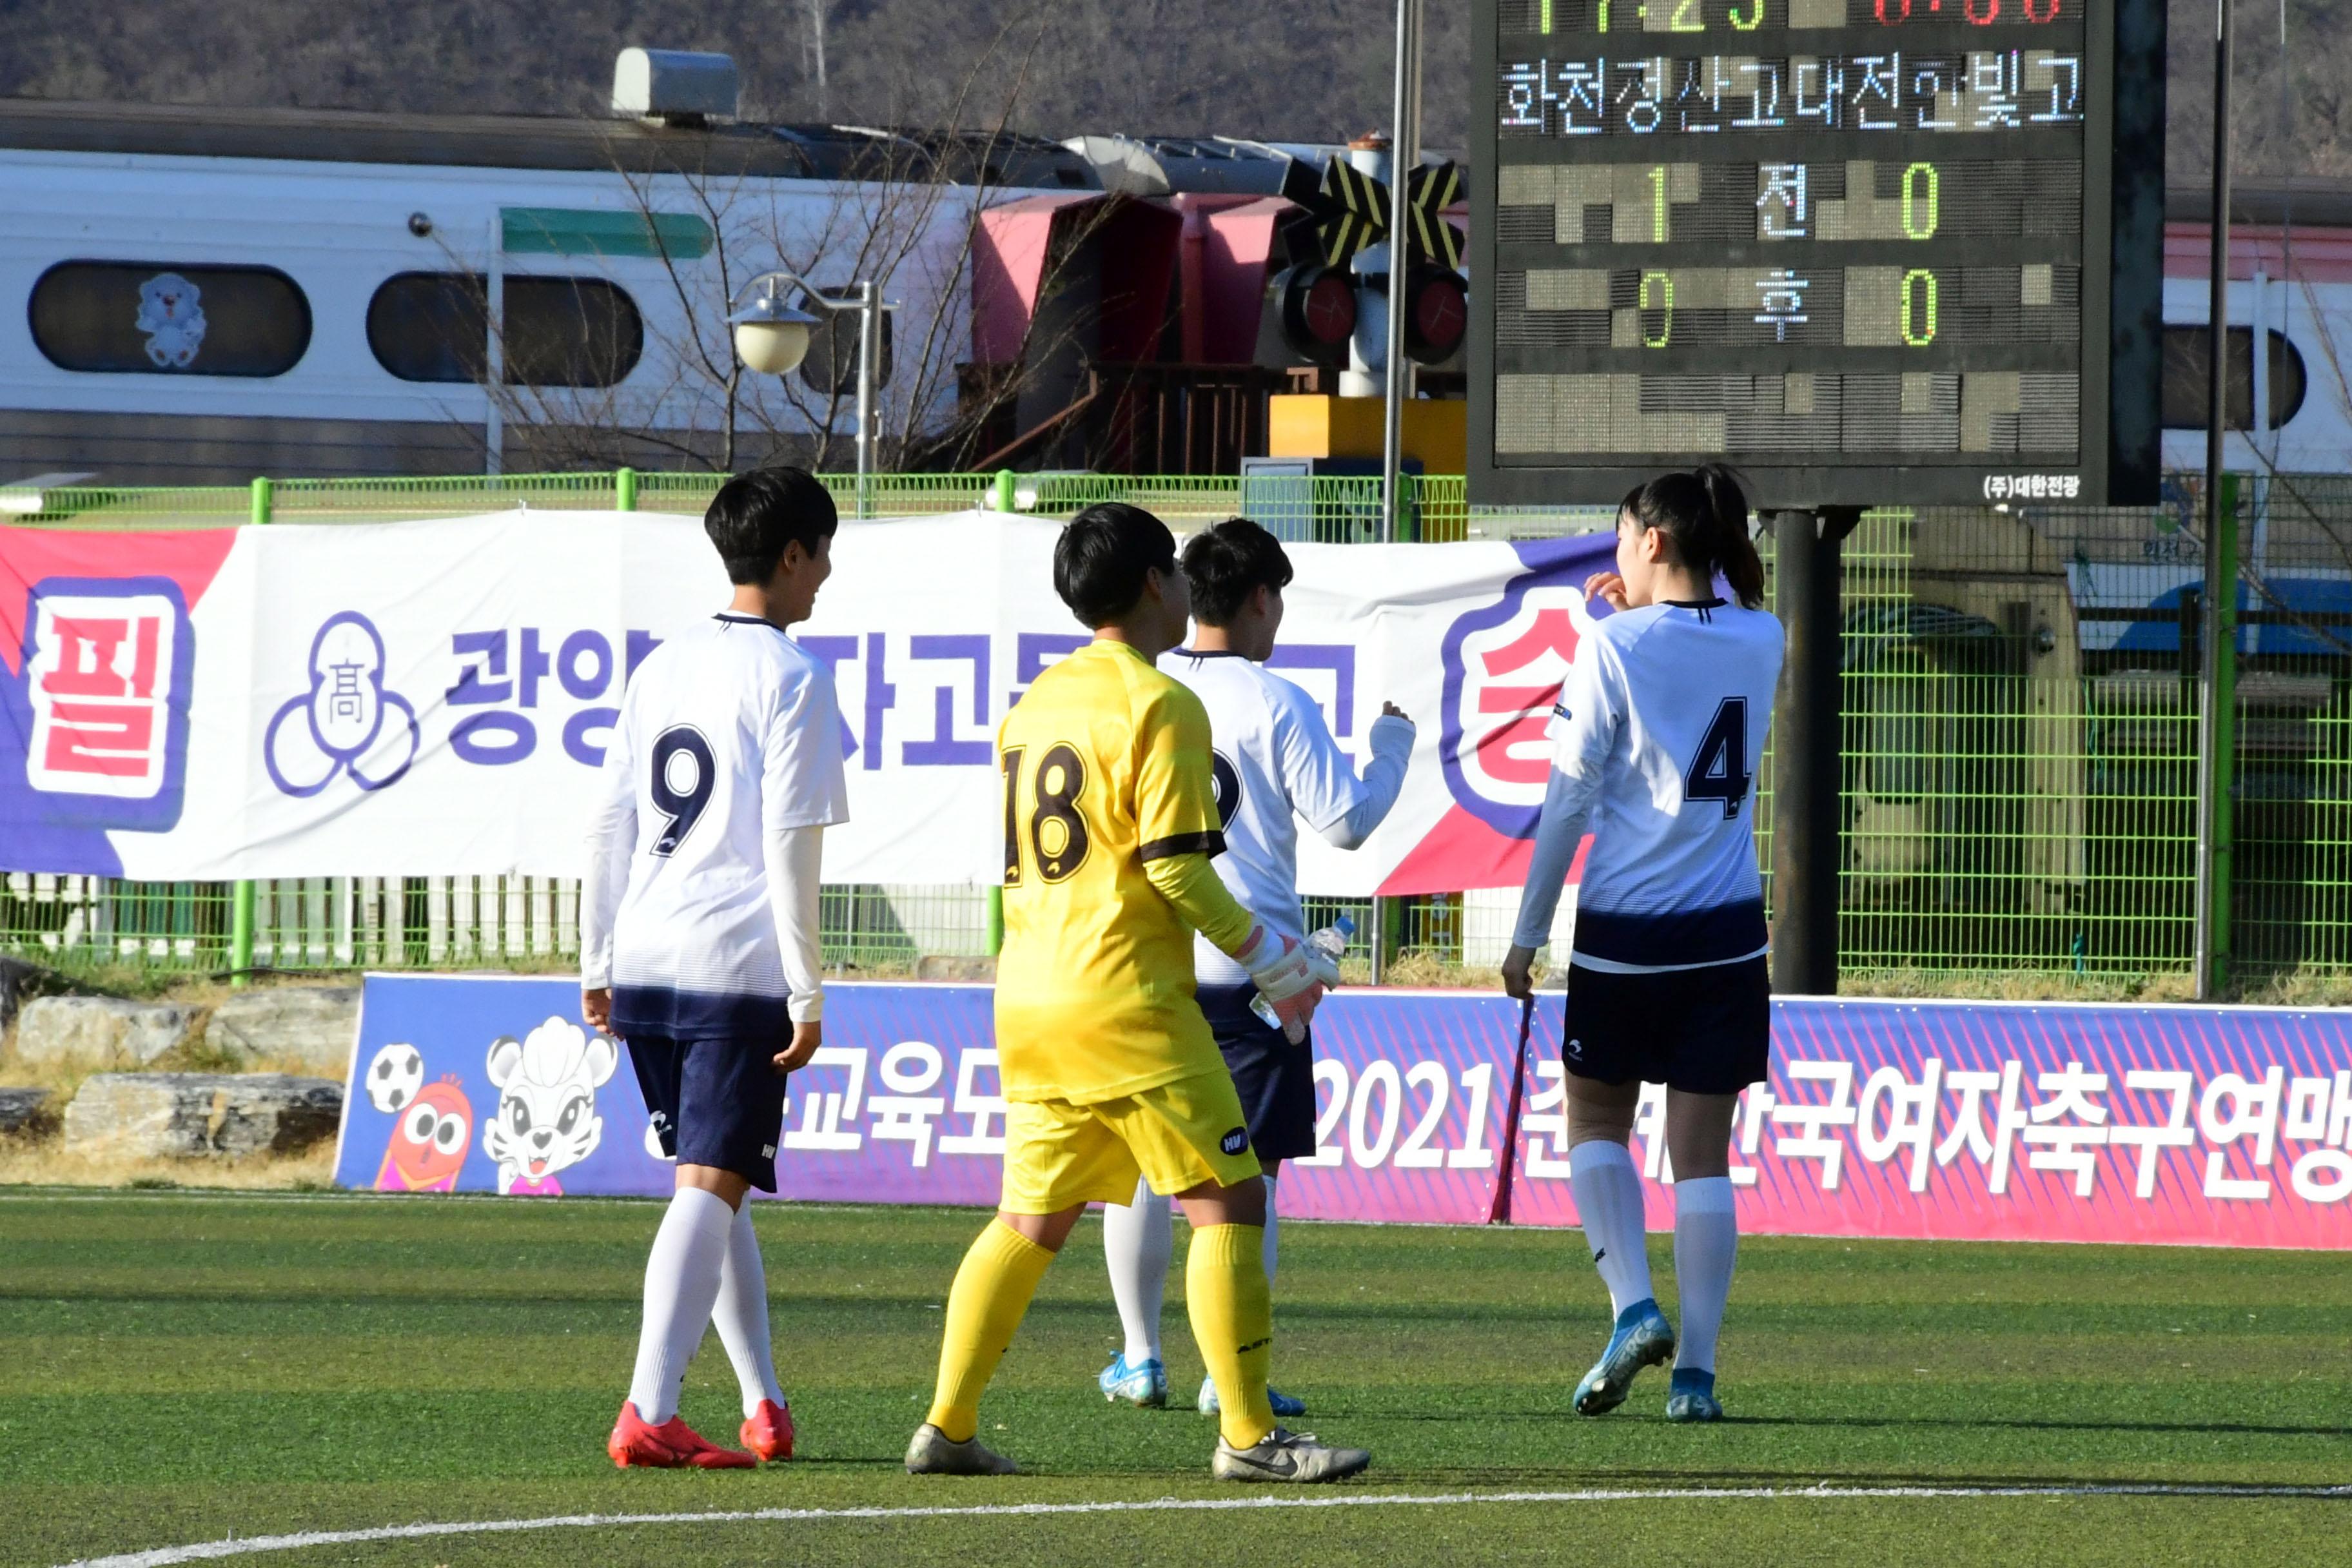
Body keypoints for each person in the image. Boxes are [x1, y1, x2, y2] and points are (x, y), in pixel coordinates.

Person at [906, 502, 1369, 1484]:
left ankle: (947, 1425)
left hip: (1032, 995)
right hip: (1131, 1000)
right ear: (1158, 584)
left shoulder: (1035, 706)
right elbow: (1174, 871)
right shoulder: (1162, 705)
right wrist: (1272, 959)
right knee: (1232, 1198)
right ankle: (1248, 1437)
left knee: (1029, 1220)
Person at [1095, 517, 1415, 1418]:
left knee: (1145, 1169)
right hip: (1257, 973)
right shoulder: (1276, 702)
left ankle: (1140, 1355)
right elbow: (1348, 822)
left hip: (1151, 964)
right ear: (1263, 599)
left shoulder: (1143, 687)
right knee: (1253, 1175)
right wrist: (1391, 751)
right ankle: (1230, 1372)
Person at [1499, 464, 1783, 1426]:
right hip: (1728, 936)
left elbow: (1570, 797)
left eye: (1624, 535)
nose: (1615, 551)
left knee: (1595, 1126)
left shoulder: (1612, 644)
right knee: (1702, 1157)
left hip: (1625, 933)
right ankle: (1696, 1376)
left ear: (1652, 541)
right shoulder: (1765, 635)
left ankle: (1632, 1310)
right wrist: (1641, 607)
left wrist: (1527, 934)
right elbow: (1722, 608)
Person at [581, 466, 849, 1468]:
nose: (825, 578)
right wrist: (808, 989)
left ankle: (762, 1401)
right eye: (822, 556)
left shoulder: (664, 663)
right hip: (732, 964)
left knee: (713, 1180)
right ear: (790, 556)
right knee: (710, 1185)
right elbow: (791, 844)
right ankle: (649, 1410)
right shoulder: (793, 675)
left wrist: (595, 957)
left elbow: (611, 815)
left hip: (646, 955)